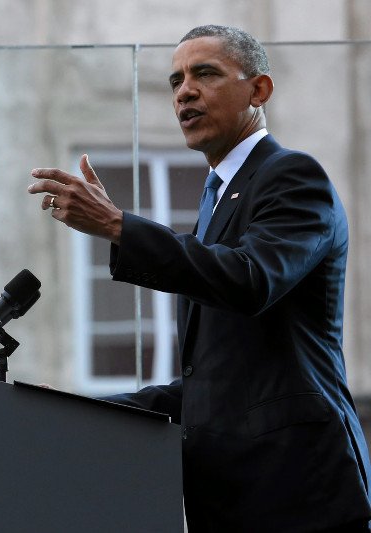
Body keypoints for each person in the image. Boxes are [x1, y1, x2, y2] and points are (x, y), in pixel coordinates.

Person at [28, 25, 371, 532]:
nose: (183, 91)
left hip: (299, 487)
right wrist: (73, 410)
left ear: (258, 90)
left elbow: (251, 279)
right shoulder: (214, 203)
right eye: (175, 81)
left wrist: (118, 226)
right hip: (232, 497)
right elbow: (209, 388)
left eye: (204, 73)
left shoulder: (293, 176)